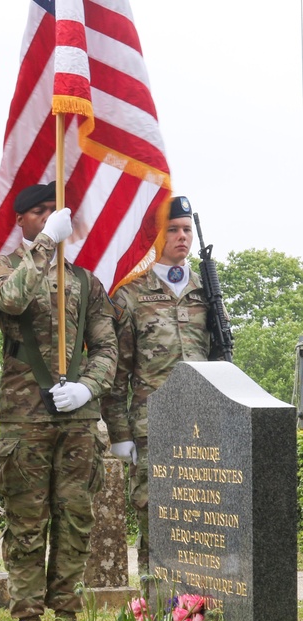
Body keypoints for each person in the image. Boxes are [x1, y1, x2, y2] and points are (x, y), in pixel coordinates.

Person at [0, 182, 117, 621]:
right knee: (27, 523)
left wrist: (87, 388)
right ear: (21, 220)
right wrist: (43, 246)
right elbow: (11, 301)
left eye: (52, 213)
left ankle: (67, 617)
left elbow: (105, 346)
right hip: (25, 418)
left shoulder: (84, 282)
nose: (46, 219)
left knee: (76, 519)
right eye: (37, 212)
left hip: (77, 420)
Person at [101, 195, 227, 577]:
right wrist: (120, 434)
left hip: (203, 428)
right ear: (157, 236)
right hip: (152, 427)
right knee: (156, 520)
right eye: (173, 229)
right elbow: (116, 372)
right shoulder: (131, 294)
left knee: (205, 527)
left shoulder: (207, 293)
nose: (182, 237)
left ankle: (202, 619)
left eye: (187, 229)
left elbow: (221, 359)